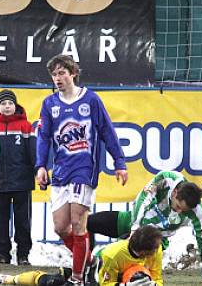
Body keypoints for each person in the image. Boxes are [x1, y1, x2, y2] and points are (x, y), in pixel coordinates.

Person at [35, 55, 128, 285]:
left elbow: (107, 131)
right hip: (60, 171)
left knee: (78, 222)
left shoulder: (91, 100)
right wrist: (41, 166)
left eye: (62, 73)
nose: (58, 78)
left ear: (73, 73)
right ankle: (89, 261)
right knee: (60, 227)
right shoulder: (50, 104)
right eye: (54, 75)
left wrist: (120, 162)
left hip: (84, 169)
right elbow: (44, 137)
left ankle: (77, 278)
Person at [87, 170, 202, 286]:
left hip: (152, 243)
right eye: (178, 207)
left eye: (184, 211)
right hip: (133, 223)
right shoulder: (166, 179)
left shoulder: (199, 211)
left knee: (126, 276)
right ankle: (89, 263)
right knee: (87, 223)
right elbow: (144, 198)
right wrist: (135, 229)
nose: (179, 212)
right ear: (175, 193)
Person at [0, 225, 164, 286]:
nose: (157, 252)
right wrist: (124, 284)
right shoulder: (113, 254)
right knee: (53, 282)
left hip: (117, 278)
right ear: (143, 252)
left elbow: (157, 278)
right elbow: (104, 284)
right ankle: (6, 279)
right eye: (153, 251)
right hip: (93, 275)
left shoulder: (156, 249)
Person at [0, 89, 36, 266]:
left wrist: (38, 172)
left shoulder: (26, 126)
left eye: (10, 103)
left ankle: (23, 255)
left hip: (22, 183)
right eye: (3, 104)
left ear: (16, 105)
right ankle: (2, 254)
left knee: (23, 221)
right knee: (1, 220)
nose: (7, 107)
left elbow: (33, 153)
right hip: (0, 183)